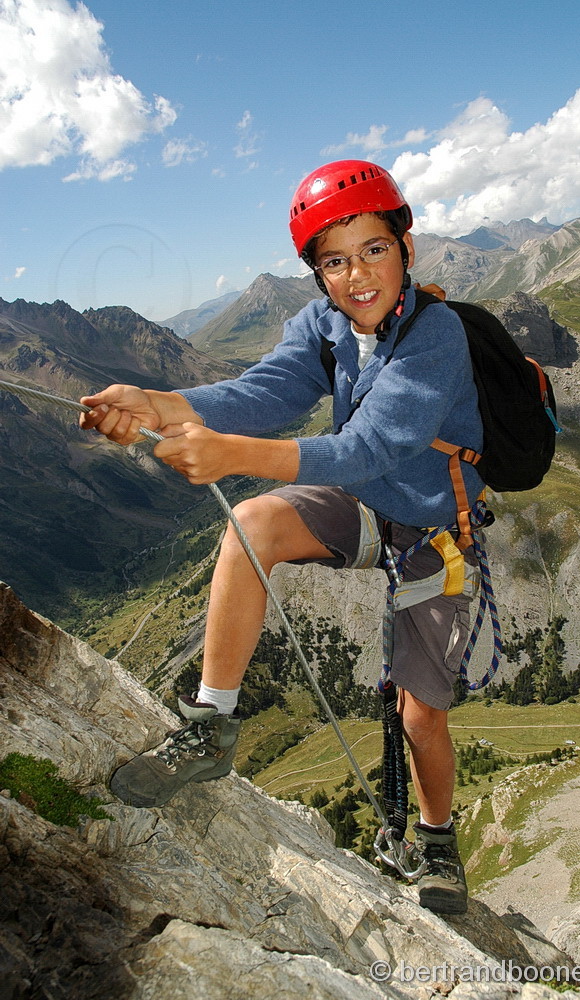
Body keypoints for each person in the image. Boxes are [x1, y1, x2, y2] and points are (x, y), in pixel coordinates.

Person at [80, 159, 484, 916]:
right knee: (252, 524)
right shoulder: (324, 327)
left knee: (420, 715)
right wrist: (160, 404)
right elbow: (259, 394)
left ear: (405, 247)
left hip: (432, 528)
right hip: (361, 506)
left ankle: (435, 839)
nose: (357, 275)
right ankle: (210, 726)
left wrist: (230, 455)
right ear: (316, 273)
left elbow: (372, 445)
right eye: (335, 260)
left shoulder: (438, 337)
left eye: (372, 249)